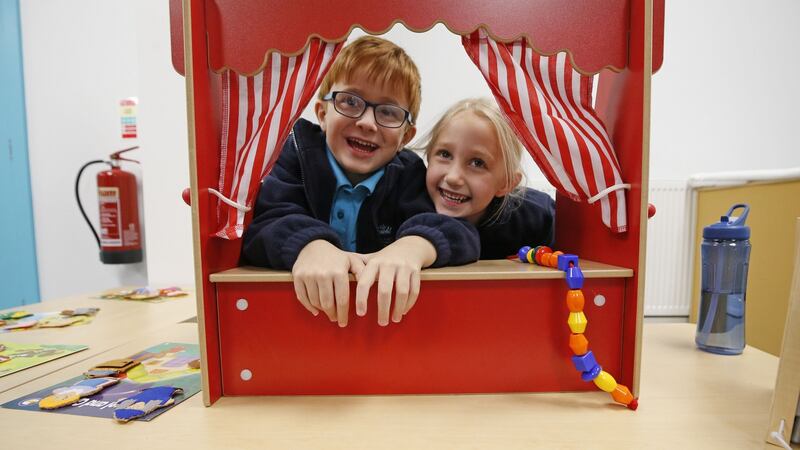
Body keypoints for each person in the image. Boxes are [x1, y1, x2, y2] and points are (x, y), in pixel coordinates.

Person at [241, 36, 480, 328]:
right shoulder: (295, 156)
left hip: (381, 329)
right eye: (350, 102)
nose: (367, 122)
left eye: (388, 112)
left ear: (405, 137)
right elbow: (264, 222)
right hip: (298, 322)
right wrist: (311, 245)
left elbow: (456, 230)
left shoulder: (408, 173)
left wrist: (413, 247)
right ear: (322, 114)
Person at [421, 98, 555, 259]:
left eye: (477, 163)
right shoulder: (405, 199)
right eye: (445, 154)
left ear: (505, 184)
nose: (453, 177)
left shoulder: (540, 218)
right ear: (428, 156)